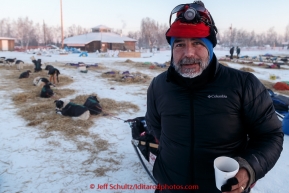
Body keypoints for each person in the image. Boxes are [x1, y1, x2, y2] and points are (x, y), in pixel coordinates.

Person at [145, 1, 283, 193]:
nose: (188, 53)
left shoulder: (243, 85)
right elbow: (155, 126)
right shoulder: (158, 86)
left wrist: (248, 168)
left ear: (210, 47)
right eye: (179, 44)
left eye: (197, 43)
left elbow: (270, 136)